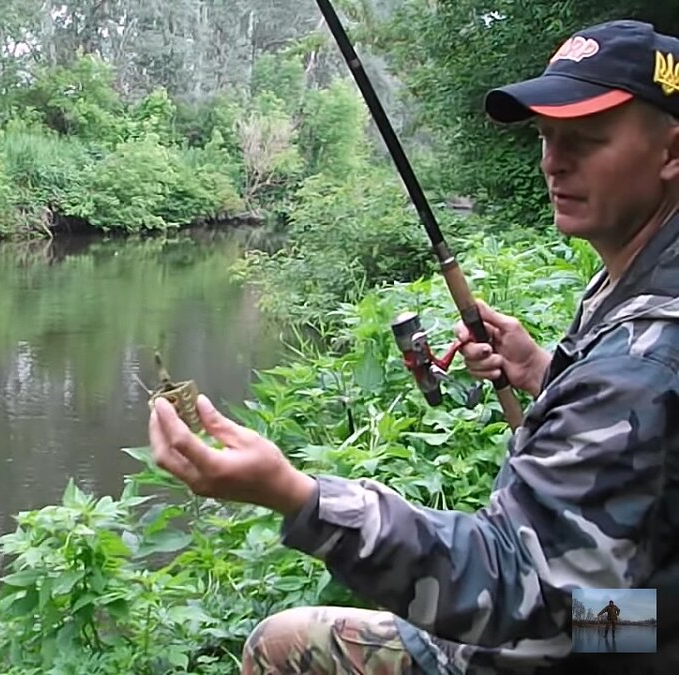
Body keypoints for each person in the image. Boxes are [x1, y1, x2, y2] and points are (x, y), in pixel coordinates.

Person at [147, 18, 679, 675]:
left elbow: (516, 582)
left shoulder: (646, 354)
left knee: (279, 645)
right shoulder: (645, 273)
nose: (553, 160)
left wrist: (296, 495)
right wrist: (543, 371)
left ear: (670, 152)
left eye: (587, 139)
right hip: (650, 616)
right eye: (546, 135)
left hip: (622, 638)